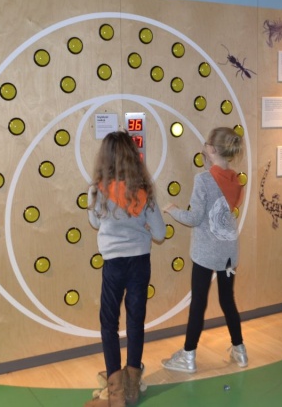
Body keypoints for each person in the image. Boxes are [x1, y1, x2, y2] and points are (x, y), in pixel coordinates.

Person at [85, 131, 165, 407]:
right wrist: (142, 225)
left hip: (114, 264)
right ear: (133, 156)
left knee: (109, 324)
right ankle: (132, 388)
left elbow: (95, 223)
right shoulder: (144, 190)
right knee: (135, 320)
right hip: (140, 262)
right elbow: (160, 233)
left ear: (104, 158)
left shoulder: (97, 189)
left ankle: (116, 394)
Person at [161, 127, 247, 374]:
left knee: (198, 303)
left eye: (207, 143)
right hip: (229, 252)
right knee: (227, 300)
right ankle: (240, 350)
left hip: (207, 253)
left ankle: (188, 356)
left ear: (211, 149)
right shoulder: (235, 178)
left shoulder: (204, 179)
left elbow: (194, 218)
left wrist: (172, 209)